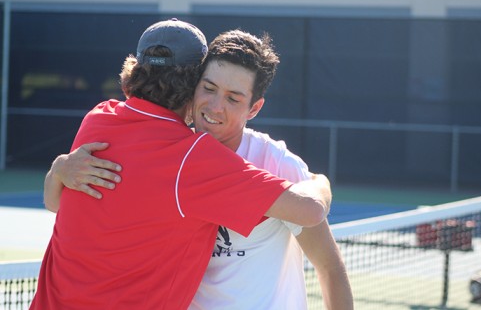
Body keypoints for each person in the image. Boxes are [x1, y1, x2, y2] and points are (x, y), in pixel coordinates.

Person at [30, 19, 333, 310]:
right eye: (210, 87)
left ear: (132, 72)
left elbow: (55, 202)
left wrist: (58, 169)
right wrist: (320, 181)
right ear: (193, 85)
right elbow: (311, 210)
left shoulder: (97, 119)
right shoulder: (191, 159)